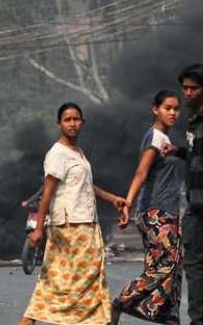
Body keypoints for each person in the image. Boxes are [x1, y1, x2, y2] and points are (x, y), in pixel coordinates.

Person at [17, 102, 128, 325]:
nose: (72, 123)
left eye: (76, 119)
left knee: (63, 281)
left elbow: (86, 186)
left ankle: (30, 320)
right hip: (70, 228)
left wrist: (112, 198)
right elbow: (47, 193)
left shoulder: (78, 152)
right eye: (67, 119)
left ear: (83, 123)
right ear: (59, 124)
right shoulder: (57, 153)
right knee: (78, 281)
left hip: (85, 224)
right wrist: (39, 228)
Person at [112, 90, 183, 325]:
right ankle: (119, 303)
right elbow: (141, 172)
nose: (172, 113)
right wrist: (128, 204)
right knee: (167, 264)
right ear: (155, 109)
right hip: (156, 212)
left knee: (171, 269)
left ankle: (171, 319)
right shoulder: (156, 137)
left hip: (167, 211)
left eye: (176, 108)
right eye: (167, 108)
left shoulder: (166, 139)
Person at [163, 64, 203, 325]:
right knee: (195, 263)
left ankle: (198, 320)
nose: (188, 93)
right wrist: (178, 151)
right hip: (195, 199)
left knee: (193, 262)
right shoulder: (194, 120)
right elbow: (197, 157)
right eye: (185, 88)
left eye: (194, 88)